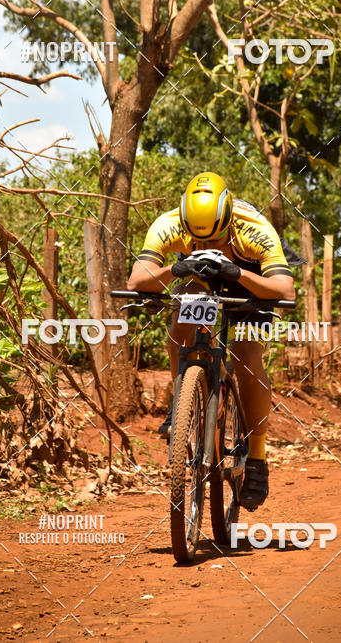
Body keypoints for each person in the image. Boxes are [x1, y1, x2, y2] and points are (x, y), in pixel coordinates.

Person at [127, 171, 297, 511]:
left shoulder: (255, 229)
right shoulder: (168, 225)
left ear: (229, 219)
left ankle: (258, 457)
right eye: (198, 239)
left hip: (249, 279)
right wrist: (176, 270)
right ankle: (184, 401)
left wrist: (236, 272)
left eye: (214, 239)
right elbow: (137, 281)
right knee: (182, 319)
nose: (208, 246)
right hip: (198, 276)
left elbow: (284, 291)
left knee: (246, 354)